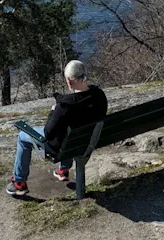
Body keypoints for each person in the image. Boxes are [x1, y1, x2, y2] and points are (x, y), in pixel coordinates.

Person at [6, 60, 108, 196]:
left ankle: (19, 182)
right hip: (88, 141)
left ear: (69, 81)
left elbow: (48, 133)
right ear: (85, 75)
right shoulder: (99, 95)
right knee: (69, 133)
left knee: (22, 136)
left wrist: (53, 112)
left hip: (62, 147)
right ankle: (63, 170)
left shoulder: (64, 106)